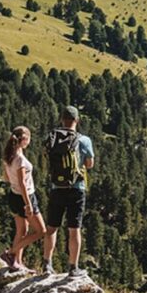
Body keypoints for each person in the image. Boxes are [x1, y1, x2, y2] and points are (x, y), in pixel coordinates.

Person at [41, 105, 96, 275]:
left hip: (57, 187)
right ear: (77, 120)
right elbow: (90, 164)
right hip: (76, 187)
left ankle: (47, 265)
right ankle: (73, 267)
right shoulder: (83, 140)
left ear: (62, 119)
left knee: (52, 227)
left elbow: (46, 157)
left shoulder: (52, 137)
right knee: (74, 229)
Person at [0, 126, 47, 271]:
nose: (29, 142)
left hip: (13, 196)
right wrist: (28, 205)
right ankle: (11, 253)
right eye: (29, 139)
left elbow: (7, 178)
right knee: (41, 231)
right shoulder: (20, 159)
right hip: (25, 197)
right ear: (24, 139)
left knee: (22, 231)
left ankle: (17, 262)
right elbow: (23, 184)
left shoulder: (9, 156)